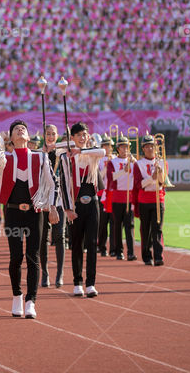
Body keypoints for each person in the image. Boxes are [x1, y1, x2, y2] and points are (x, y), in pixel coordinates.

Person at [0, 120, 60, 319]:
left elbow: (53, 184)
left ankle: (31, 301)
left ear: (28, 136)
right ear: (12, 137)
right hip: (13, 213)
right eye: (16, 129)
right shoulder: (5, 157)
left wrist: (52, 207)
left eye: (23, 129)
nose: (20, 131)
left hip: (35, 214)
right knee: (16, 256)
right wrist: (1, 138)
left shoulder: (41, 157)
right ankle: (17, 295)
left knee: (33, 256)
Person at [61, 122, 107, 298]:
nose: (82, 137)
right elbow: (64, 185)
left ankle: (91, 284)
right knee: (77, 244)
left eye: (84, 134)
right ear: (72, 137)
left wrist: (81, 151)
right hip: (76, 205)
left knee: (92, 244)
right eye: (78, 135)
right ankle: (77, 282)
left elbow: (102, 152)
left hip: (93, 203)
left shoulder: (91, 153)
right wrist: (67, 209)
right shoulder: (67, 157)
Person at [132, 134, 166, 266]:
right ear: (143, 148)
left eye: (151, 146)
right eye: (146, 146)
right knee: (145, 229)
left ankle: (158, 256)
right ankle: (146, 256)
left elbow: (163, 183)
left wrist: (159, 175)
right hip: (144, 200)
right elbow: (138, 184)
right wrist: (152, 178)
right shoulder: (138, 164)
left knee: (158, 228)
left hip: (158, 199)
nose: (149, 148)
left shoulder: (162, 162)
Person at [39, 124, 66, 288]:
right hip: (44, 200)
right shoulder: (40, 154)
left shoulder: (62, 152)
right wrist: (44, 152)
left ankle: (60, 273)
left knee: (60, 236)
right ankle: (45, 273)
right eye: (47, 134)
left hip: (60, 200)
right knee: (43, 239)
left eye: (53, 134)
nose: (50, 136)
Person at [107, 134, 137, 261]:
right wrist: (124, 170)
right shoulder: (112, 162)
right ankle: (119, 251)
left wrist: (134, 162)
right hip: (117, 196)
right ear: (118, 149)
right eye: (122, 147)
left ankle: (131, 252)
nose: (125, 150)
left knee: (130, 225)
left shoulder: (133, 161)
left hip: (129, 197)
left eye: (127, 147)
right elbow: (111, 178)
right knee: (117, 226)